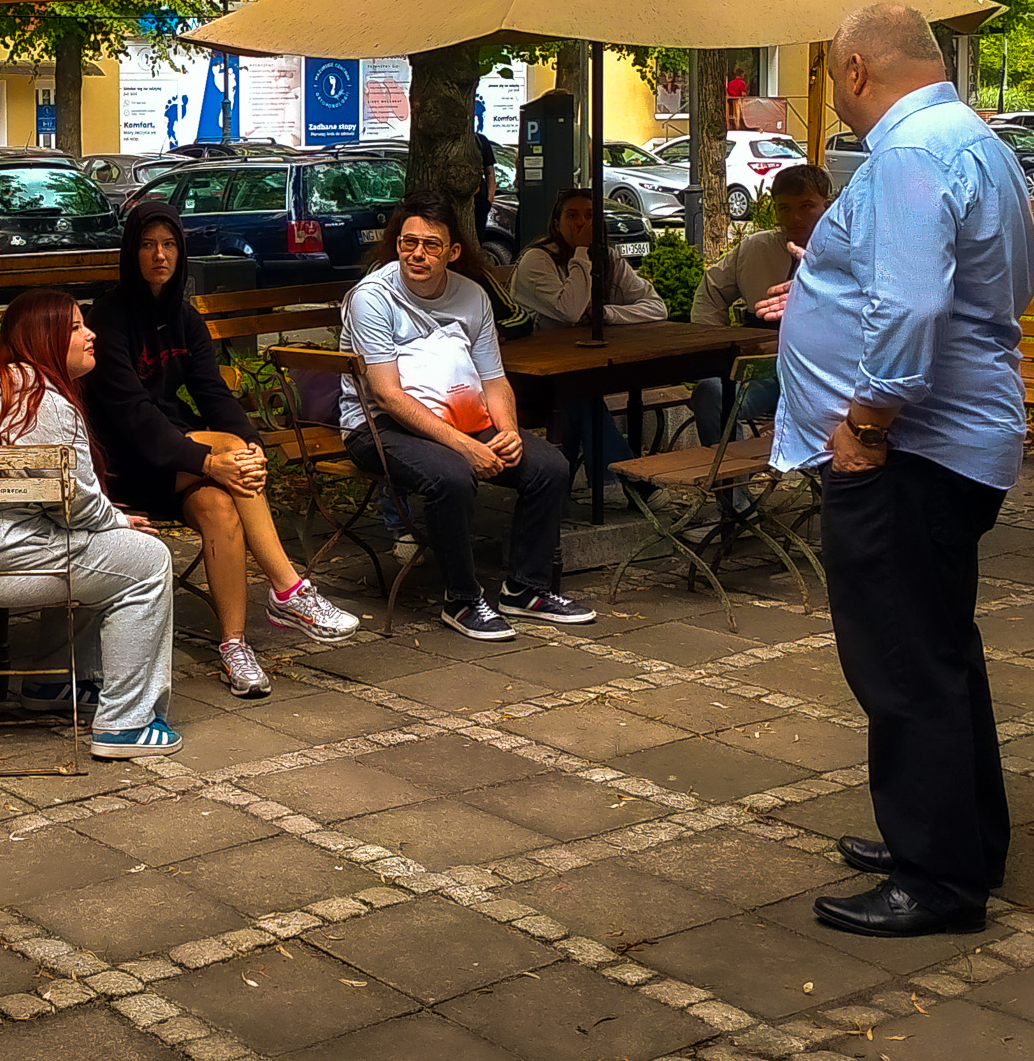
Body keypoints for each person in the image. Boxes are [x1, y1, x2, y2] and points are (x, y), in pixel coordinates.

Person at [773, 3, 1033, 939]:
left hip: (907, 450)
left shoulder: (908, 154)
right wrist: (824, 284)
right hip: (955, 443)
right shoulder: (973, 140)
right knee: (940, 648)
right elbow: (964, 286)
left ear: (853, 70)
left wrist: (865, 422)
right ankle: (962, 840)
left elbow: (916, 306)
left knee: (902, 662)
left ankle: (937, 880)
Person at [85, 201, 359, 698]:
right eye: (147, 245)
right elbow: (134, 418)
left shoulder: (184, 318)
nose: (159, 256)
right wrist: (213, 460)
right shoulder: (108, 319)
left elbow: (213, 393)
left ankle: (235, 646)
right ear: (131, 252)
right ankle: (288, 589)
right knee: (230, 452)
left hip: (173, 457)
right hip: (124, 460)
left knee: (220, 507)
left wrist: (251, 448)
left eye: (169, 245)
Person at [0, 289, 181, 758]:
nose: (90, 334)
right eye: (75, 327)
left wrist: (109, 524)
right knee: (146, 561)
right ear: (45, 339)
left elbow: (68, 512)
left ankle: (55, 681)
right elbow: (79, 508)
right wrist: (119, 522)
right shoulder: (46, 406)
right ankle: (126, 724)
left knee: (98, 548)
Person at [341, 192, 588, 641]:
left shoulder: (472, 295)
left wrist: (508, 433)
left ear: (453, 251)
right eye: (408, 242)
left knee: (549, 467)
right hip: (377, 425)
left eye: (431, 245)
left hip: (464, 417)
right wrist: (465, 446)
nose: (417, 253)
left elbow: (494, 380)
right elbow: (387, 395)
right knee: (452, 476)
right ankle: (461, 599)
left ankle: (526, 589)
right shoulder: (372, 298)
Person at [511, 187, 666, 491]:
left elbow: (657, 307)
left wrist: (607, 314)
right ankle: (630, 484)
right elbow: (570, 310)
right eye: (572, 216)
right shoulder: (537, 260)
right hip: (530, 376)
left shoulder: (607, 258)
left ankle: (576, 487)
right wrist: (582, 252)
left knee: (582, 394)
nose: (582, 223)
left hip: (580, 369)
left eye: (589, 216)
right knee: (581, 396)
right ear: (557, 224)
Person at [687, 163, 833, 445]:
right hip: (764, 376)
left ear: (826, 206)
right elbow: (711, 291)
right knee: (711, 392)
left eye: (806, 206)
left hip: (823, 377)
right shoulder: (755, 249)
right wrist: (719, 347)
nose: (795, 217)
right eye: (784, 208)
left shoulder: (845, 254)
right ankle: (729, 473)